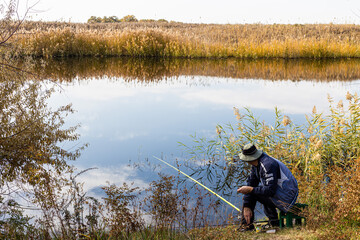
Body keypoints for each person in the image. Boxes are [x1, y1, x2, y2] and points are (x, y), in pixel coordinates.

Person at [236, 143, 298, 231]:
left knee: (256, 192)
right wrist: (246, 205)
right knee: (256, 190)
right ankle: (272, 222)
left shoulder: (268, 165)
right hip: (281, 192)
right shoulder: (256, 164)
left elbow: (269, 191)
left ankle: (246, 225)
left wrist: (250, 190)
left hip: (287, 196)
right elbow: (251, 183)